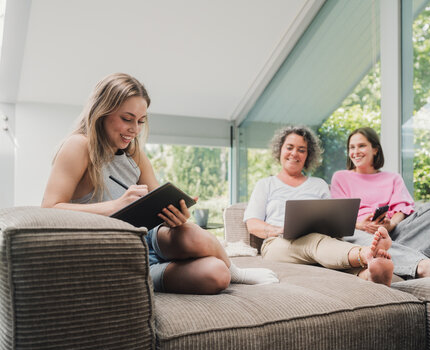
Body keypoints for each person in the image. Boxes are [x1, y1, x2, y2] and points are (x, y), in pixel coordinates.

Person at [41, 72, 278, 294]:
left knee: (193, 235)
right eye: (127, 119)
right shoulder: (78, 146)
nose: (134, 130)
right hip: (118, 251)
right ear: (102, 112)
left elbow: (155, 199)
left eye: (141, 121)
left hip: (150, 236)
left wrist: (176, 214)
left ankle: (237, 272)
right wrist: (114, 206)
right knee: (217, 276)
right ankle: (164, 275)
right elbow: (49, 209)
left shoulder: (134, 153)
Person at [244, 125, 395, 286]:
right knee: (313, 242)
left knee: (322, 247)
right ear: (279, 150)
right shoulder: (266, 184)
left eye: (301, 150)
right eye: (289, 148)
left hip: (321, 242)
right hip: (277, 244)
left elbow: (333, 219)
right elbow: (252, 223)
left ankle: (370, 274)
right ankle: (365, 254)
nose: (294, 153)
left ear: (308, 155)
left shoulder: (319, 185)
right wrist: (276, 229)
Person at [330, 127, 430, 278]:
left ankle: (392, 256)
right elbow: (338, 216)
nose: (355, 152)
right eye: (351, 147)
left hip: (392, 233)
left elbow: (402, 209)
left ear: (375, 149)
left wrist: (391, 224)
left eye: (361, 146)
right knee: (349, 234)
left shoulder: (393, 178)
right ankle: (421, 266)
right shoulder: (341, 177)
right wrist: (361, 225)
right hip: (359, 233)